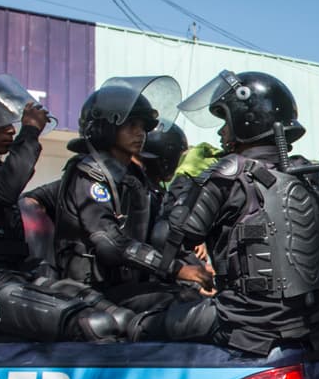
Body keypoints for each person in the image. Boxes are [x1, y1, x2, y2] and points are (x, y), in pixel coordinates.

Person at [136, 70, 319, 354]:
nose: (221, 132)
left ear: (247, 119)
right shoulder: (307, 174)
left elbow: (169, 235)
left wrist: (184, 182)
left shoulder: (229, 173)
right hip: (314, 319)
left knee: (135, 325)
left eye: (225, 122)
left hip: (247, 322)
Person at [0, 74, 127, 341]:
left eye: (11, 122)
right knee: (90, 323)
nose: (10, 129)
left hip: (7, 273)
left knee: (119, 318)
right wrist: (29, 133)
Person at [48, 77, 211, 309]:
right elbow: (109, 243)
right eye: (131, 125)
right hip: (89, 290)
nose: (140, 133)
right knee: (184, 303)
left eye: (143, 127)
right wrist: (177, 269)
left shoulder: (134, 178)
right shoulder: (89, 174)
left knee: (194, 297)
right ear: (107, 127)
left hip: (124, 286)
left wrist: (196, 266)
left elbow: (158, 233)